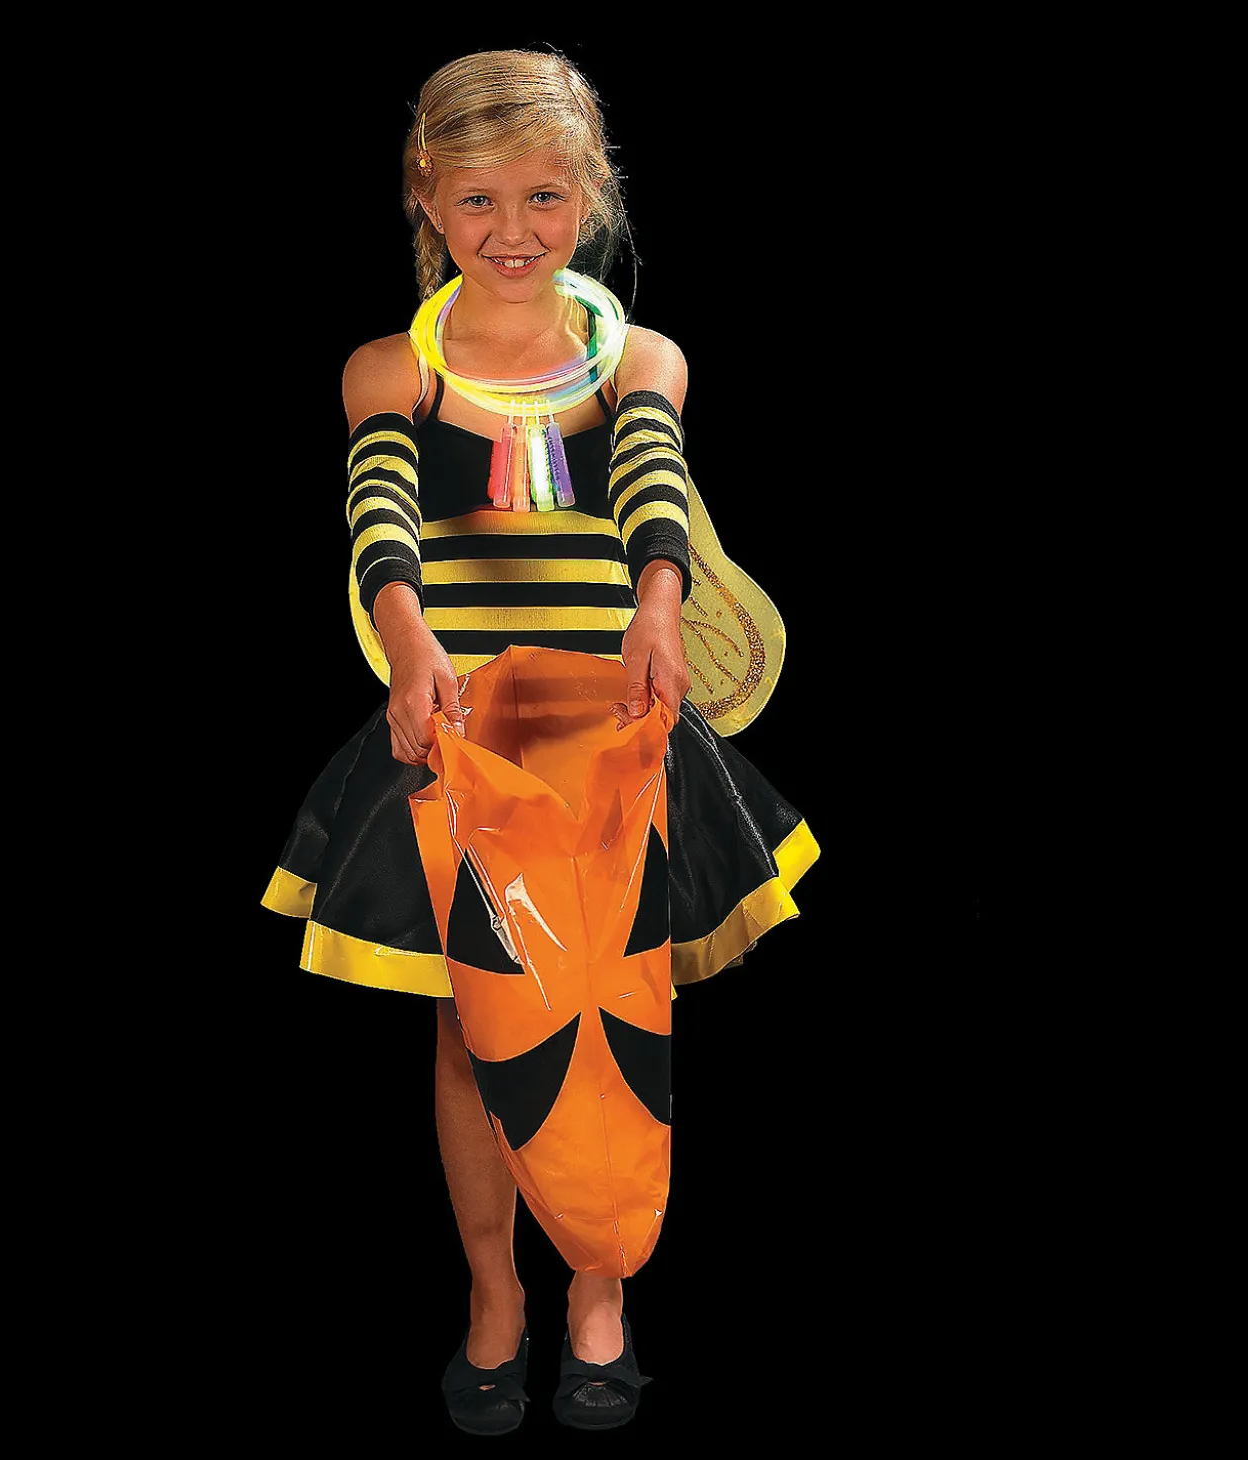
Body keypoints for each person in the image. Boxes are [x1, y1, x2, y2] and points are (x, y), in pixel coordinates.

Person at [260, 48, 819, 1434]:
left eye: (546, 198)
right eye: (478, 200)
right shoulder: (393, 370)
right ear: (427, 199)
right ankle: (495, 1292)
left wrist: (660, 603)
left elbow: (652, 492)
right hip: (464, 740)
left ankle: (600, 1288)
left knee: (619, 1000)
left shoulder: (641, 360)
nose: (512, 231)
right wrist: (406, 638)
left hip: (613, 734)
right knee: (475, 1026)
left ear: (593, 195)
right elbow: (380, 515)